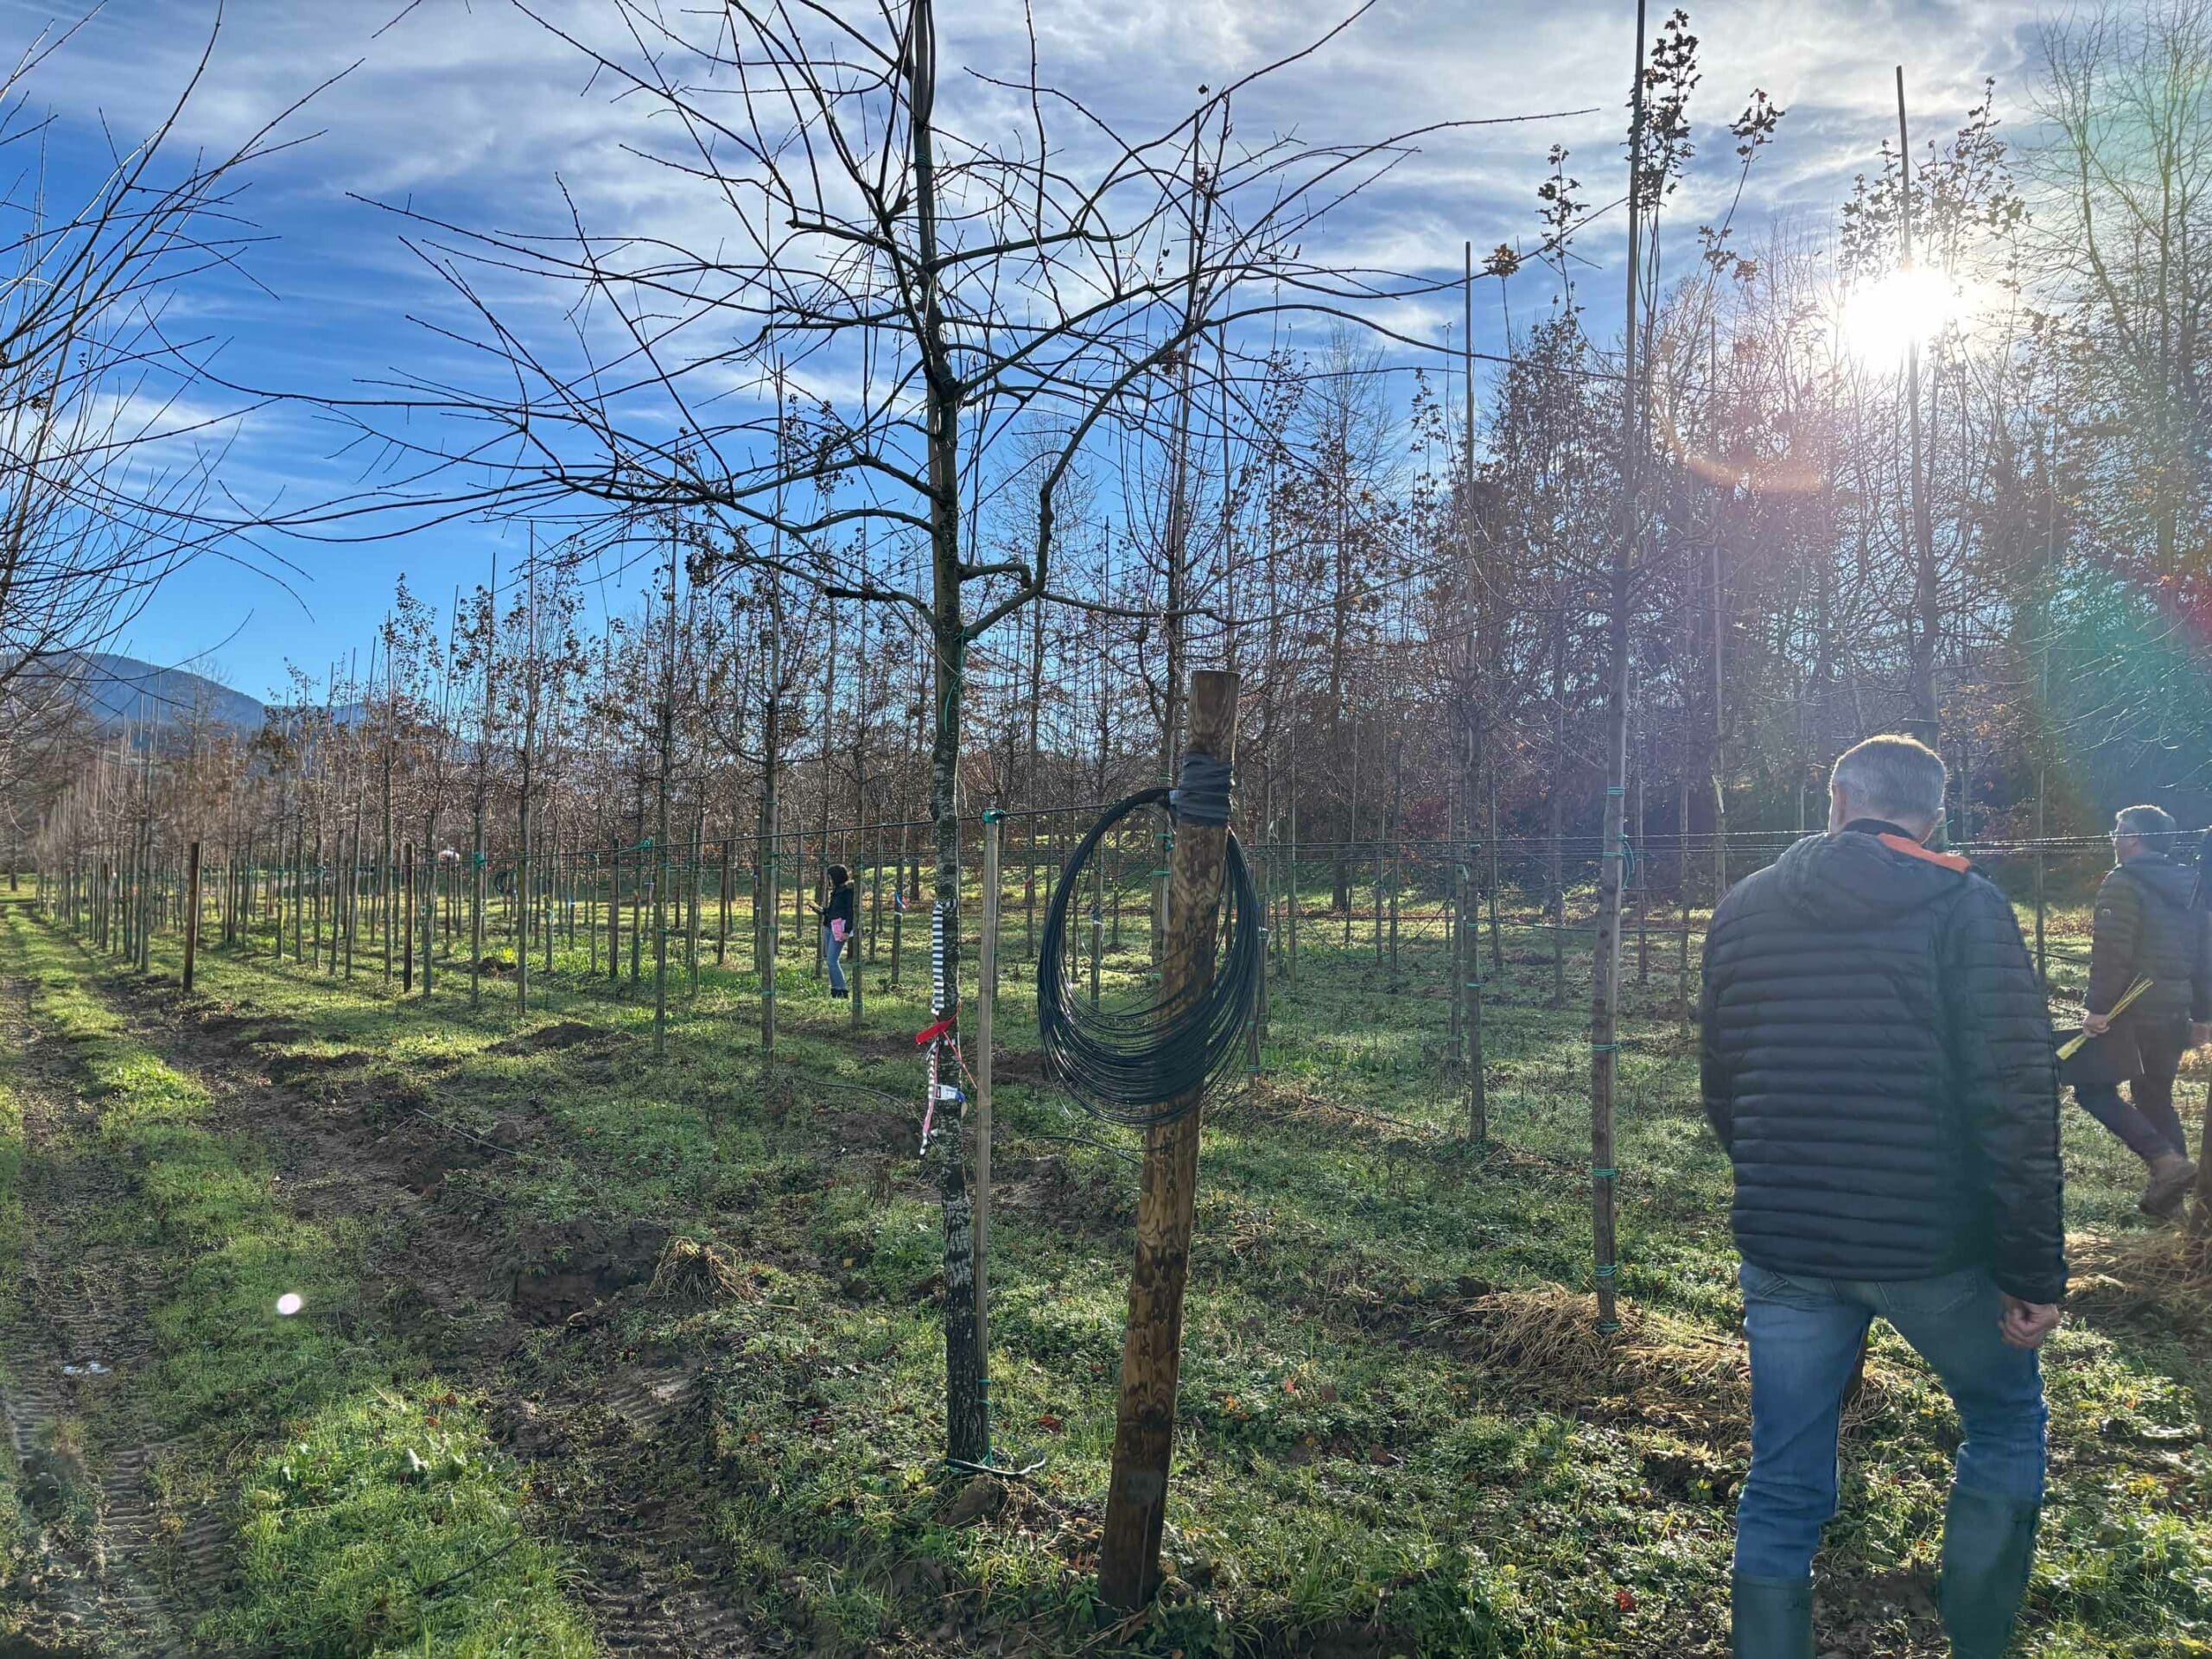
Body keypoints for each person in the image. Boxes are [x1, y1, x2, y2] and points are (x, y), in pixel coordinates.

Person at [1700, 734, 2064, 1659]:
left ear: (1836, 799)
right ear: (1932, 818)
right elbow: (2014, 1101)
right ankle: (1979, 1643)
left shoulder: (1742, 909)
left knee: (1782, 1481)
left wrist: (1782, 1183)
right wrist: (2031, 1270)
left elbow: (1723, 1086)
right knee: (2004, 1418)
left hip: (1787, 1246)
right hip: (1932, 1249)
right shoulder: (1967, 907)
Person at [2069, 804, 2209, 1218]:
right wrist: (2203, 1015)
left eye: (2116, 832)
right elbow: (2205, 956)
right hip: (2174, 1010)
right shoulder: (2191, 886)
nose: (2113, 840)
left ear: (2132, 838)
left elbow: (2112, 953)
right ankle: (2172, 1205)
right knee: (2155, 1097)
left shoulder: (2123, 882)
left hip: (2132, 1010)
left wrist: (2098, 1010)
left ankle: (2166, 1163)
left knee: (2092, 1089)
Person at [816, 864, 855, 1000]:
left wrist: (847, 930)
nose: (829, 880)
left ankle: (842, 990)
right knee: (830, 960)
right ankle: (835, 989)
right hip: (829, 926)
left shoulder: (848, 891)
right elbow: (834, 910)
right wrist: (821, 910)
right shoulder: (837, 890)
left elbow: (850, 912)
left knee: (832, 960)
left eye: (831, 877)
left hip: (839, 929)